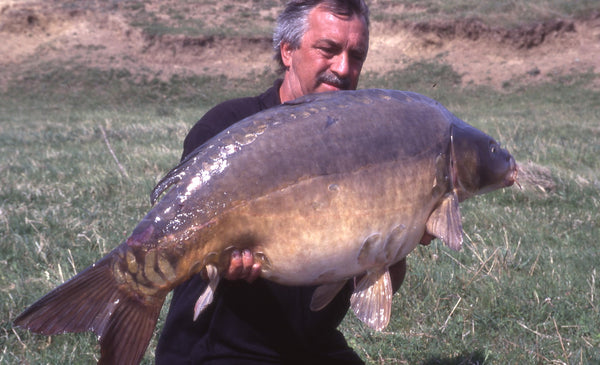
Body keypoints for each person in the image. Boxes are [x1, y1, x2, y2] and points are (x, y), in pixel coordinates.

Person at [156, 1, 422, 363]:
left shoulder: (362, 146)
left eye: (356, 55)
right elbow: (180, 241)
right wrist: (216, 260)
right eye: (328, 49)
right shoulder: (228, 128)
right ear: (288, 51)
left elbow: (375, 277)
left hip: (309, 346)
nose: (343, 69)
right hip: (220, 348)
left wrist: (403, 236)